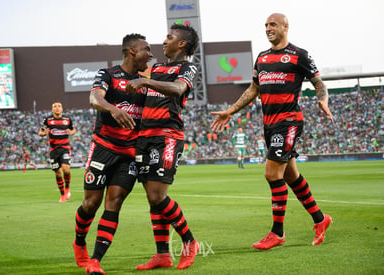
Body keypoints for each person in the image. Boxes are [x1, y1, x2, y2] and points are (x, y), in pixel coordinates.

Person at [211, 13, 334, 250]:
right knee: (290, 176)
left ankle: (277, 233)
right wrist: (231, 111)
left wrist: (323, 100)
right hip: (269, 124)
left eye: (273, 24)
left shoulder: (300, 55)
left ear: (285, 27)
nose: (268, 28)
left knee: (271, 173)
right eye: (266, 25)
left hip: (288, 122)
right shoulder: (263, 57)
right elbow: (253, 89)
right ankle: (321, 219)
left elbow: (319, 84)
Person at [72, 33, 153, 275]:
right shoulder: (108, 74)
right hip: (103, 148)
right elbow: (94, 97)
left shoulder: (144, 82)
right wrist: (112, 109)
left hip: (128, 155)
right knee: (90, 204)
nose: (150, 54)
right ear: (132, 52)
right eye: (146, 50)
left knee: (114, 203)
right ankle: (79, 242)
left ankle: (95, 261)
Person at [125, 23, 200, 270]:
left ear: (182, 44)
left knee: (158, 195)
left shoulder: (187, 67)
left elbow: (177, 89)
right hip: (144, 138)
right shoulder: (155, 67)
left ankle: (190, 242)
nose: (164, 41)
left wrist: (145, 83)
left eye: (169, 37)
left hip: (166, 136)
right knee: (152, 198)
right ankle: (162, 255)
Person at [38, 101, 76, 203]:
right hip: (54, 150)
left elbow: (73, 129)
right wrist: (43, 133)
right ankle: (62, 195)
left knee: (66, 169)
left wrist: (71, 132)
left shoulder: (67, 120)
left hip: (65, 148)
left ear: (62, 108)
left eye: (59, 106)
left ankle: (67, 188)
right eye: (55, 106)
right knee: (58, 173)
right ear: (52, 109)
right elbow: (40, 132)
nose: (57, 108)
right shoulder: (48, 120)